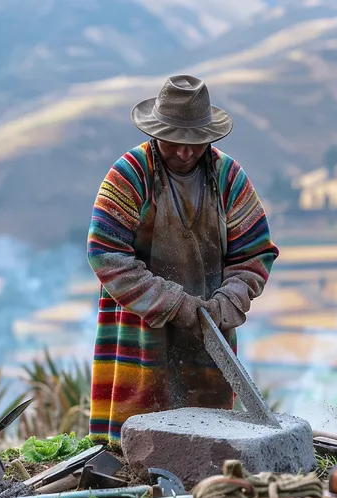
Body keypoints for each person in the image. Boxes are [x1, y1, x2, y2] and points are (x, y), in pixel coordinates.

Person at [86, 74, 280, 445]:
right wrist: (173, 303)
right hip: (140, 325)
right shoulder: (129, 174)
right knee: (138, 430)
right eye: (175, 141)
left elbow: (255, 250)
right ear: (156, 131)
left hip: (210, 324)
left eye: (195, 142)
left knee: (208, 435)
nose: (186, 152)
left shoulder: (228, 177)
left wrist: (229, 300)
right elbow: (104, 251)